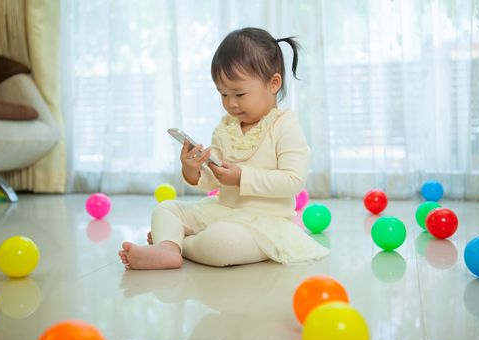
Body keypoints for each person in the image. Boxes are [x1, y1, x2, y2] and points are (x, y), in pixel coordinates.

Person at [119, 27, 329, 270]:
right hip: (222, 211)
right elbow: (213, 180)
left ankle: (179, 244)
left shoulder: (285, 126)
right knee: (166, 209)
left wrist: (242, 177)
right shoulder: (225, 129)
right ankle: (168, 249)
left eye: (239, 93)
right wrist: (193, 170)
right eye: (223, 94)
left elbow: (293, 180)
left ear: (273, 83)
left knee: (222, 243)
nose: (231, 103)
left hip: (264, 225)